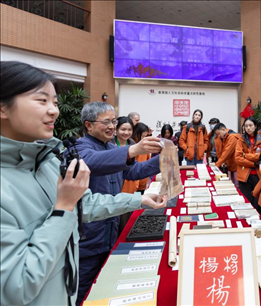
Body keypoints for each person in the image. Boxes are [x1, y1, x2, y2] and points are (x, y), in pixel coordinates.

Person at [0, 61, 166, 306]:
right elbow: (17, 285)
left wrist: (160, 166)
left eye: (55, 102)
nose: (54, 111)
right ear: (3, 108)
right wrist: (65, 205)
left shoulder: (44, 162)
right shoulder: (78, 149)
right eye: (41, 100)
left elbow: (88, 201)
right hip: (89, 240)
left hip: (85, 255)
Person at [75, 101, 165, 305]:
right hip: (89, 234)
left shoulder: (111, 146)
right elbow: (93, 162)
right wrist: (133, 150)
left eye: (113, 121)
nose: (112, 127)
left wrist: (162, 160)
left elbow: (132, 172)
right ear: (88, 125)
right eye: (106, 122)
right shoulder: (82, 147)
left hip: (110, 227)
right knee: (84, 290)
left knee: (105, 285)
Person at [235, 117, 261, 213]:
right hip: (245, 176)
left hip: (259, 175)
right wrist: (253, 163)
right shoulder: (240, 139)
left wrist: (245, 155)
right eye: (246, 126)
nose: (248, 128)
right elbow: (238, 158)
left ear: (255, 126)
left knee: (258, 203)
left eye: (250, 125)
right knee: (247, 202)